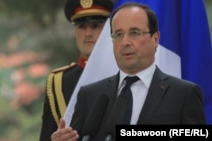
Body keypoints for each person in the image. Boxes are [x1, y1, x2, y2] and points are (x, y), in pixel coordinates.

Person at [51, 2, 206, 141]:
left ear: (156, 38)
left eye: (134, 33)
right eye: (118, 35)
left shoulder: (183, 94)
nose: (125, 42)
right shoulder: (89, 95)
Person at [39, 0, 114, 140]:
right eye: (81, 26)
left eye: (95, 26)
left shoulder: (126, 74)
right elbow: (46, 135)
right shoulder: (59, 81)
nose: (87, 33)